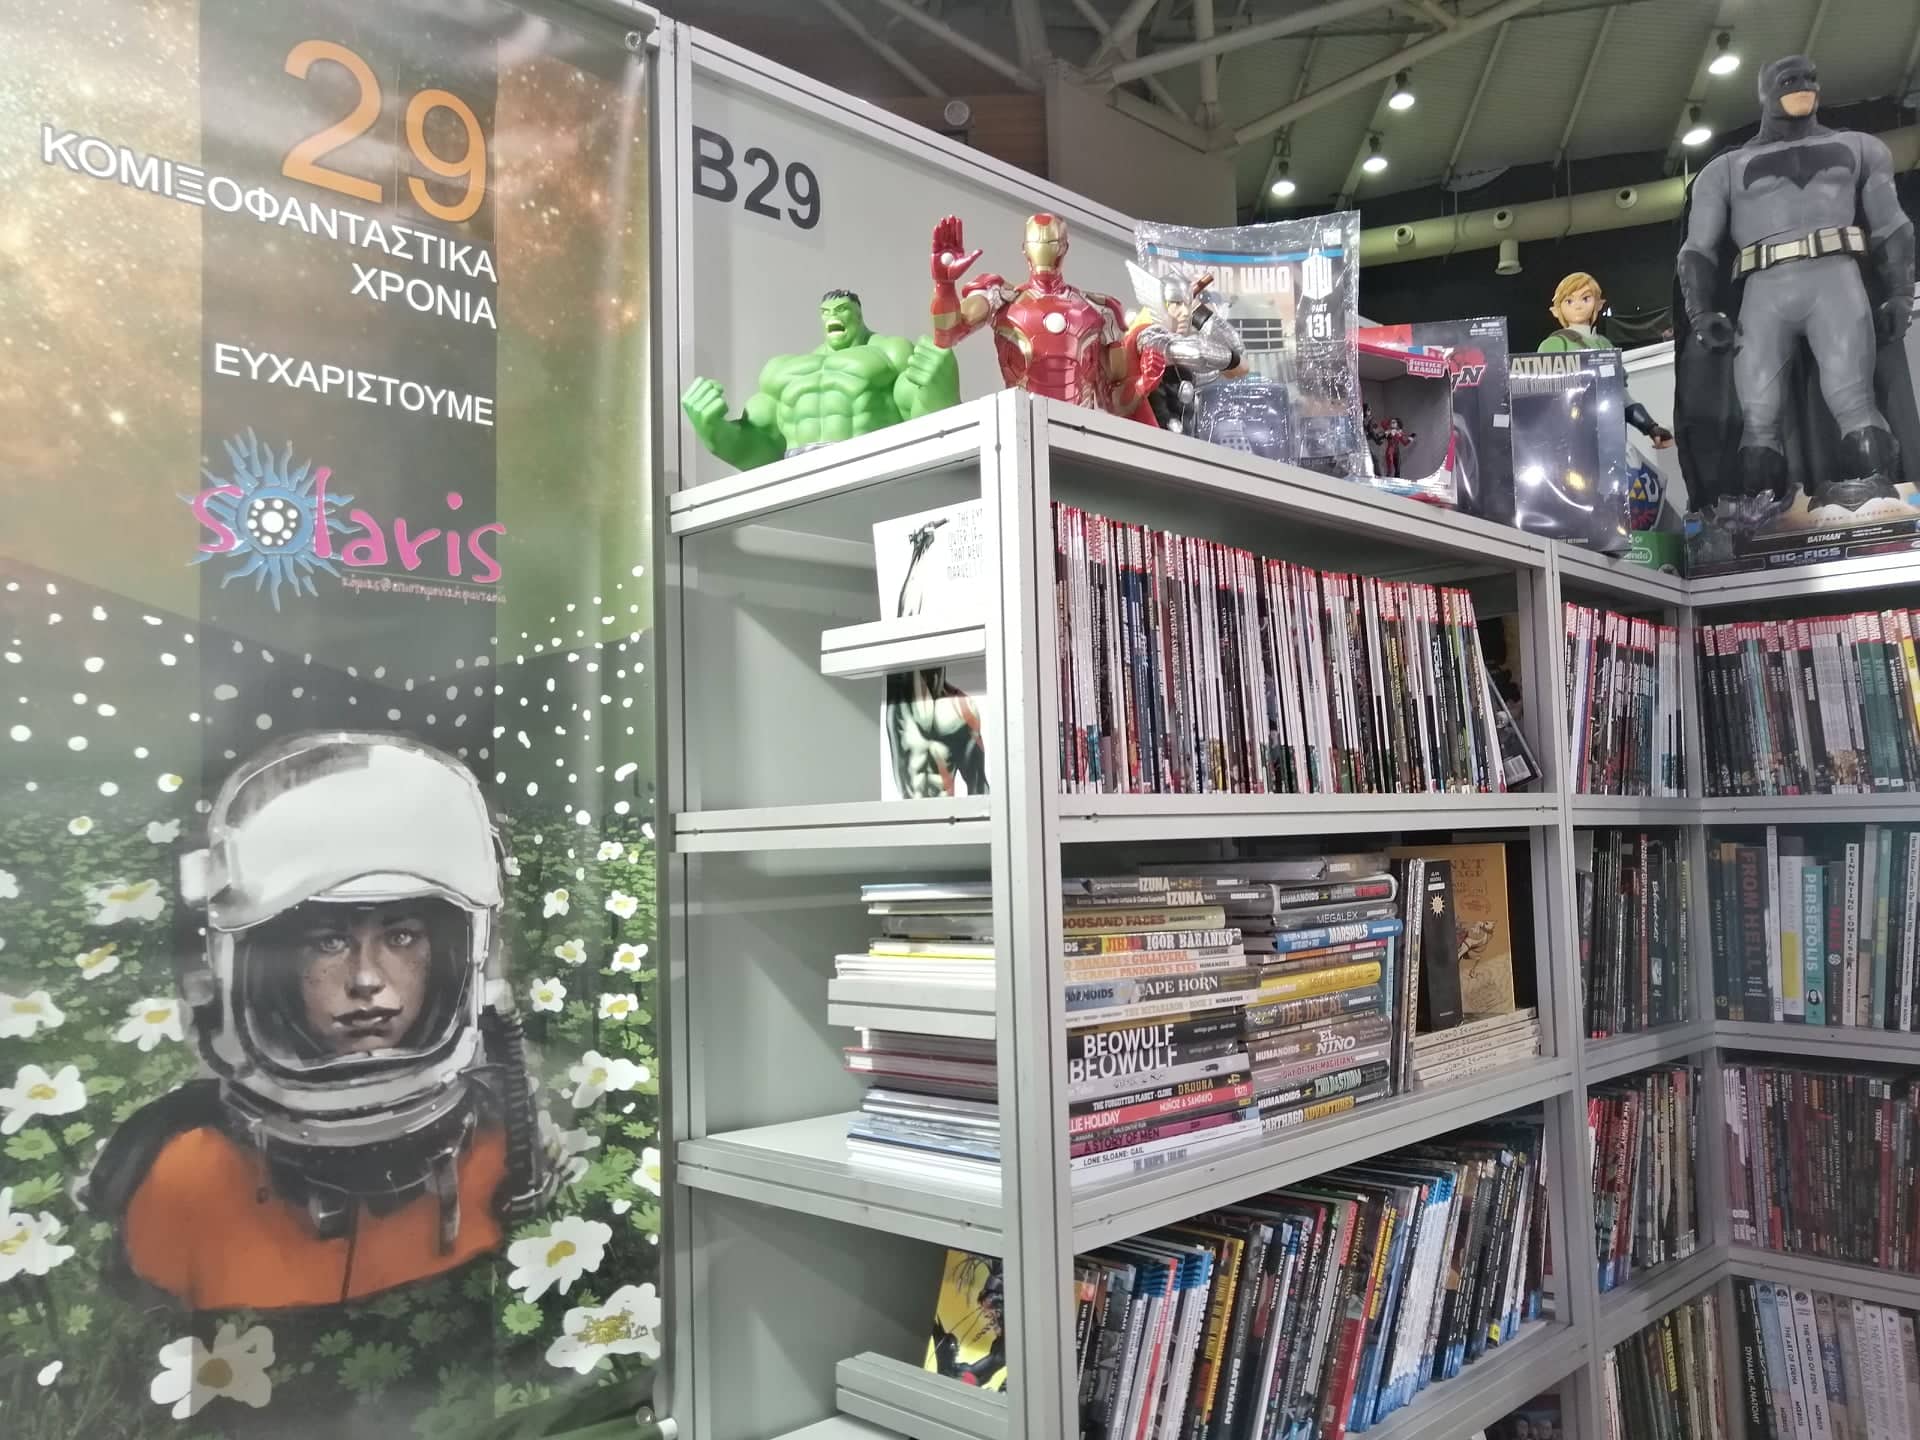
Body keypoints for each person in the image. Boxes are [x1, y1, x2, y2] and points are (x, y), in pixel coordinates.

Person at [83, 733, 553, 1310]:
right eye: (328, 941)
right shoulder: (184, 1177)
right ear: (256, 967)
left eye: (402, 937)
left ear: (461, 956)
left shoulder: (505, 1145)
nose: (367, 980)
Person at [681, 288, 960, 470]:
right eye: (826, 312)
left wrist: (940, 389)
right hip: (798, 477)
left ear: (858, 314)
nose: (832, 317)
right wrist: (715, 432)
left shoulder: (889, 352)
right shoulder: (784, 369)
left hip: (871, 466)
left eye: (841, 310)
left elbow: (921, 415)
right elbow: (762, 444)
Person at [1537, 272, 1674, 450]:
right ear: (1557, 310)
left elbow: (1619, 394)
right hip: (1571, 440)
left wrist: (1649, 426)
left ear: (1598, 303)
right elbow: (1543, 398)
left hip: (1609, 437)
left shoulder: (1604, 344)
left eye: (1585, 298)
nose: (1578, 305)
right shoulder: (1554, 344)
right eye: (1569, 301)